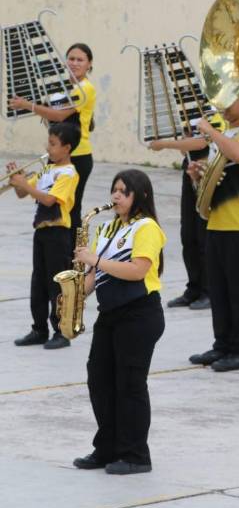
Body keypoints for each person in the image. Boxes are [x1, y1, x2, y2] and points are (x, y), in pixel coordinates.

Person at [72, 169, 166, 475]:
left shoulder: (146, 227)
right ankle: (107, 448)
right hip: (110, 313)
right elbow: (95, 276)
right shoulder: (108, 228)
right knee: (99, 380)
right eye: (114, 189)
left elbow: (138, 270)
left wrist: (95, 260)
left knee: (130, 385)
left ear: (140, 195)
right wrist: (70, 299)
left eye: (124, 191)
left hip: (139, 314)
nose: (116, 196)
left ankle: (136, 455)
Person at [187, 77, 239, 372]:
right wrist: (198, 175)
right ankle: (222, 345)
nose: (222, 105)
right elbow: (213, 180)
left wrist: (210, 133)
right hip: (218, 225)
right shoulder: (224, 134)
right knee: (220, 292)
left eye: (230, 98)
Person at [10, 43, 97, 247]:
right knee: (52, 207)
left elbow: (60, 114)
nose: (74, 63)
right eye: (71, 59)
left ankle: (75, 258)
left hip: (77, 155)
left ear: (89, 64)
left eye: (80, 60)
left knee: (70, 209)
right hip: (59, 153)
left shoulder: (85, 88)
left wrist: (28, 105)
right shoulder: (65, 86)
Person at [10, 122, 80, 350]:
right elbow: (23, 193)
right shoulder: (47, 169)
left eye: (53, 144)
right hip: (41, 231)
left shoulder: (69, 173)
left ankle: (61, 332)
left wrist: (25, 186)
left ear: (67, 148)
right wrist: (17, 179)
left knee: (57, 284)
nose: (48, 148)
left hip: (58, 232)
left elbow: (49, 200)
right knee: (38, 281)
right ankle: (39, 329)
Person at [149, 125, 220, 311]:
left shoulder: (212, 113)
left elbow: (202, 142)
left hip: (207, 174)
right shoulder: (195, 118)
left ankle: (209, 291)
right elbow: (186, 149)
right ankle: (194, 288)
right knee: (188, 236)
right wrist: (185, 137)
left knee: (203, 237)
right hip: (190, 173)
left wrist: (164, 143)